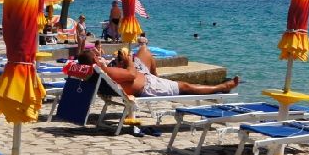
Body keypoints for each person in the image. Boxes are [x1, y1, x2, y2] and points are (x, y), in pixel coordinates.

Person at [98, 48, 239, 98]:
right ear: (94, 61)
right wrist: (128, 61)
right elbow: (131, 76)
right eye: (96, 56)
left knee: (144, 50)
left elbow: (128, 76)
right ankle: (221, 87)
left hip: (145, 76)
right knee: (185, 87)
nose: (99, 56)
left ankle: (155, 75)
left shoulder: (100, 71)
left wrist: (120, 62)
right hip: (149, 85)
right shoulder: (105, 71)